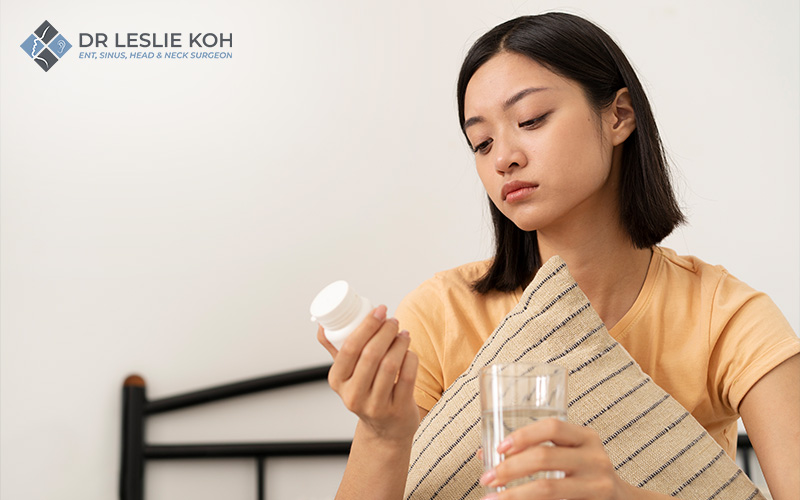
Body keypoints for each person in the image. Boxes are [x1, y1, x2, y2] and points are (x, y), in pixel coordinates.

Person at [317, 12, 800, 500]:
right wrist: (383, 435)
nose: (503, 157)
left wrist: (620, 495)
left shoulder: (727, 318)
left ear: (619, 116)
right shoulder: (441, 311)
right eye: (481, 143)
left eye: (530, 120)